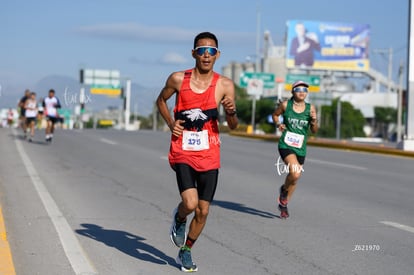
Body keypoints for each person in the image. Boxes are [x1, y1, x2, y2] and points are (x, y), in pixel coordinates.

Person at [156, 31, 238, 272]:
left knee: (203, 211)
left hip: (210, 153)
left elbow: (233, 126)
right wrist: (172, 124)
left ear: (217, 55)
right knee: (190, 204)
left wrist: (231, 113)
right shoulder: (178, 79)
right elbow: (161, 100)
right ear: (193, 53)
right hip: (183, 149)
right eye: (201, 50)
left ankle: (186, 251)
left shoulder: (224, 85)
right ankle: (180, 217)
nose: (206, 55)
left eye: (210, 51)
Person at [272, 80, 318, 219]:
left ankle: (284, 204)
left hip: (301, 147)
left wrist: (314, 121)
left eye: (305, 89)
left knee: (294, 179)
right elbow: (275, 115)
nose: (302, 92)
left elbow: (314, 131)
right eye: (299, 89)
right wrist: (279, 124)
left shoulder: (310, 108)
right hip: (286, 144)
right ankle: (284, 192)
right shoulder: (286, 105)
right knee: (296, 173)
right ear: (293, 92)